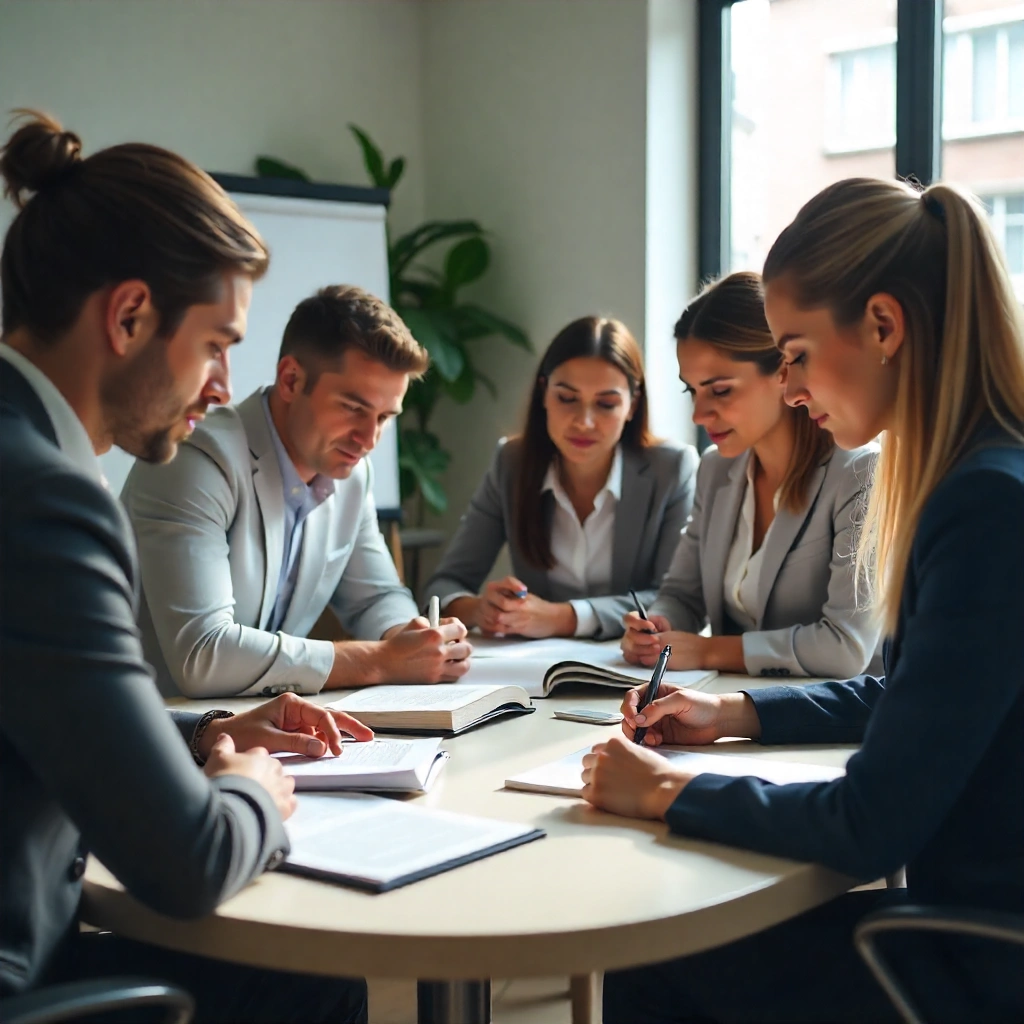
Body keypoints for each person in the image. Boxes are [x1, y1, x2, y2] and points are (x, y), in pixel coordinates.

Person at [582, 178, 1024, 1023]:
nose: (787, 388)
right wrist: (734, 716)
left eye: (794, 352)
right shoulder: (986, 475)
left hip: (979, 960)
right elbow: (910, 695)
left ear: (884, 327)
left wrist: (669, 793)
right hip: (974, 927)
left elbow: (872, 823)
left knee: (655, 946)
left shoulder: (986, 507)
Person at [0, 111, 372, 1023]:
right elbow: (189, 863)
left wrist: (208, 736)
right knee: (308, 977)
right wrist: (251, 788)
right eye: (215, 345)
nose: (221, 385)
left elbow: (44, 708)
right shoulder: (45, 501)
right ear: (129, 316)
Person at [122, 285, 472, 698]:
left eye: (384, 417)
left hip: (256, 730)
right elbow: (203, 655)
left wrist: (414, 641)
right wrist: (381, 660)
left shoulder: (353, 474)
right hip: (152, 728)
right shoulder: (196, 460)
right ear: (291, 379)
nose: (368, 438)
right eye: (353, 408)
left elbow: (374, 597)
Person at [622, 272, 882, 679]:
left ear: (782, 370)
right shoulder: (716, 468)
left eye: (720, 390)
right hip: (724, 714)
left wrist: (710, 652)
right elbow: (681, 595)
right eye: (692, 391)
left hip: (828, 728)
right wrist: (657, 626)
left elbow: (845, 648)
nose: (698, 414)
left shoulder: (858, 470)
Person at [425, 316, 698, 640]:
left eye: (606, 404)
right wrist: (479, 608)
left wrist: (564, 618)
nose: (584, 422)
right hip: (535, 670)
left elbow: (676, 600)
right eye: (567, 399)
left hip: (629, 665)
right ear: (544, 393)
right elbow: (443, 587)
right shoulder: (512, 463)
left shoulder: (671, 469)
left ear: (632, 404)